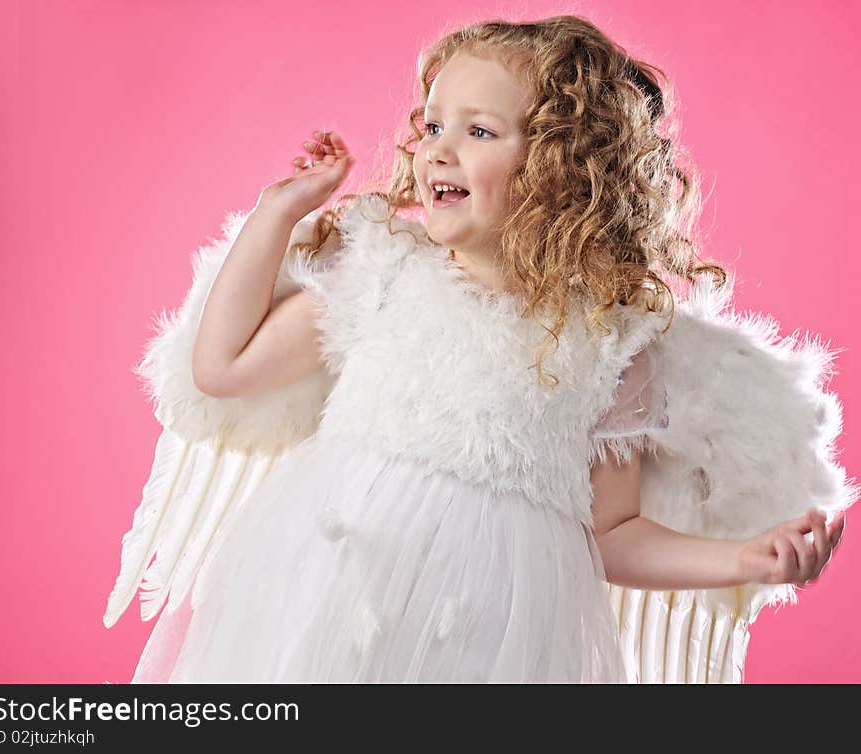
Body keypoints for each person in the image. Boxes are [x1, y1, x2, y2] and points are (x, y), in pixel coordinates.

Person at [105, 16, 851, 683]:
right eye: (431, 127)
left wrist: (741, 559)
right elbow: (222, 367)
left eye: (479, 132)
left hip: (497, 641)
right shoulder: (386, 278)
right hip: (335, 596)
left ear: (564, 171)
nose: (438, 153)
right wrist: (277, 215)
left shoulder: (608, 346)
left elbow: (614, 533)